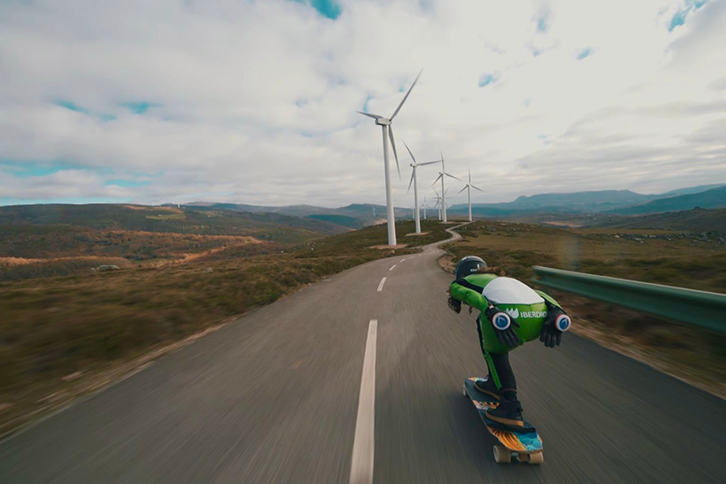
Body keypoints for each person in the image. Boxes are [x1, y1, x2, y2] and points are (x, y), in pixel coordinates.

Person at [448, 256, 571, 430]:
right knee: (483, 326)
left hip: (508, 313)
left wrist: (490, 310)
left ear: (460, 273)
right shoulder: (500, 279)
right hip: (540, 316)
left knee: (494, 352)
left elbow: (470, 295)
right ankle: (492, 383)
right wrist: (558, 310)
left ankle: (510, 408)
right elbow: (540, 294)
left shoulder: (460, 282)